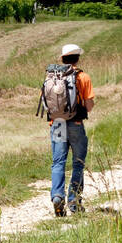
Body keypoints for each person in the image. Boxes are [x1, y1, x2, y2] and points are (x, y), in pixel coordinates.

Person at [45, 43, 94, 216]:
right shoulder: (83, 77)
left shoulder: (53, 76)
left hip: (56, 123)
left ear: (63, 59)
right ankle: (74, 201)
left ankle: (57, 196)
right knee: (78, 163)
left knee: (58, 162)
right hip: (76, 124)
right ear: (78, 58)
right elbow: (89, 106)